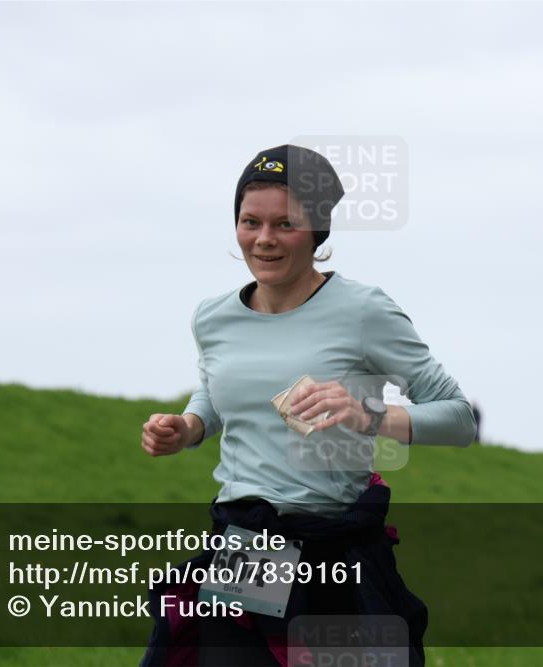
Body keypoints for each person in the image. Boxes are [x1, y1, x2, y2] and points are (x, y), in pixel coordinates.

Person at [139, 144, 476, 666]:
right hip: (249, 546)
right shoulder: (213, 317)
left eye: (285, 224)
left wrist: (370, 417)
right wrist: (188, 426)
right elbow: (216, 392)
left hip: (333, 549)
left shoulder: (363, 311)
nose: (264, 239)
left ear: (317, 231)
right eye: (250, 222)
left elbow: (458, 418)